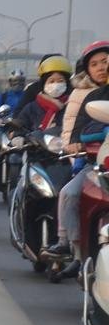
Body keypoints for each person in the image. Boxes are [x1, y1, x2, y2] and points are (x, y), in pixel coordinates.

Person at [45, 41, 109, 259]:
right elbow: (79, 131)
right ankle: (75, 250)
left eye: (106, 62)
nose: (102, 67)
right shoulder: (91, 97)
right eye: (95, 64)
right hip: (95, 163)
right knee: (69, 193)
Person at [14, 56, 73, 133]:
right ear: (43, 84)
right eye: (51, 81)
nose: (56, 85)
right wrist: (17, 135)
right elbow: (20, 125)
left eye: (60, 81)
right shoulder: (32, 108)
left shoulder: (72, 106)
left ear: (67, 84)